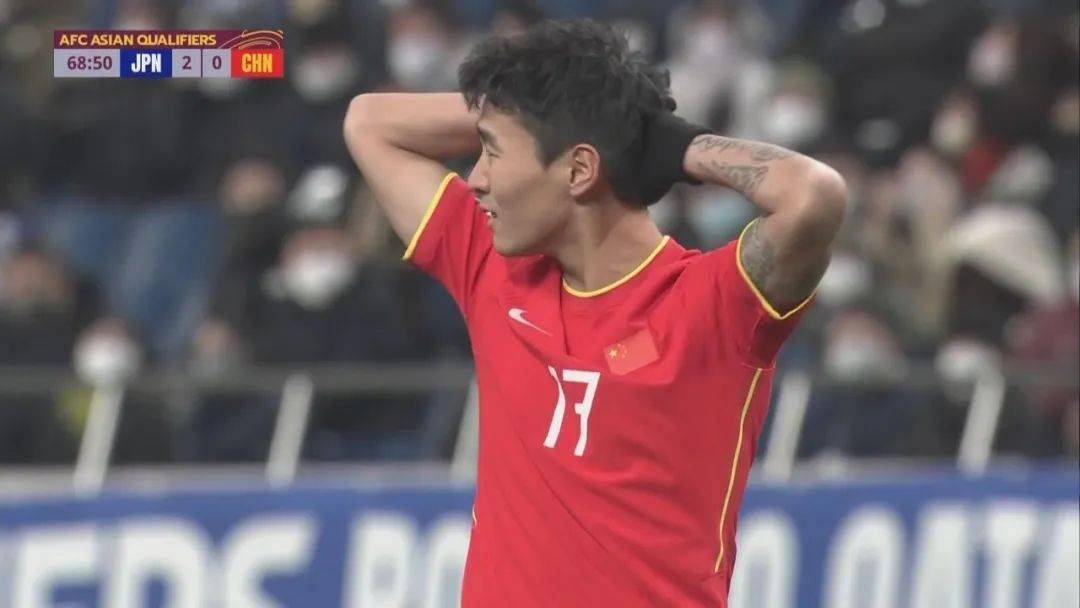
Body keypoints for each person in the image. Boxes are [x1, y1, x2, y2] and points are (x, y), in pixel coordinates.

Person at [343, 19, 846, 606]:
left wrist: (677, 146)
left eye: (492, 152)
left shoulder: (712, 304)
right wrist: (544, 110)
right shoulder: (492, 268)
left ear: (580, 170)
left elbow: (813, 195)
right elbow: (368, 122)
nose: (474, 179)